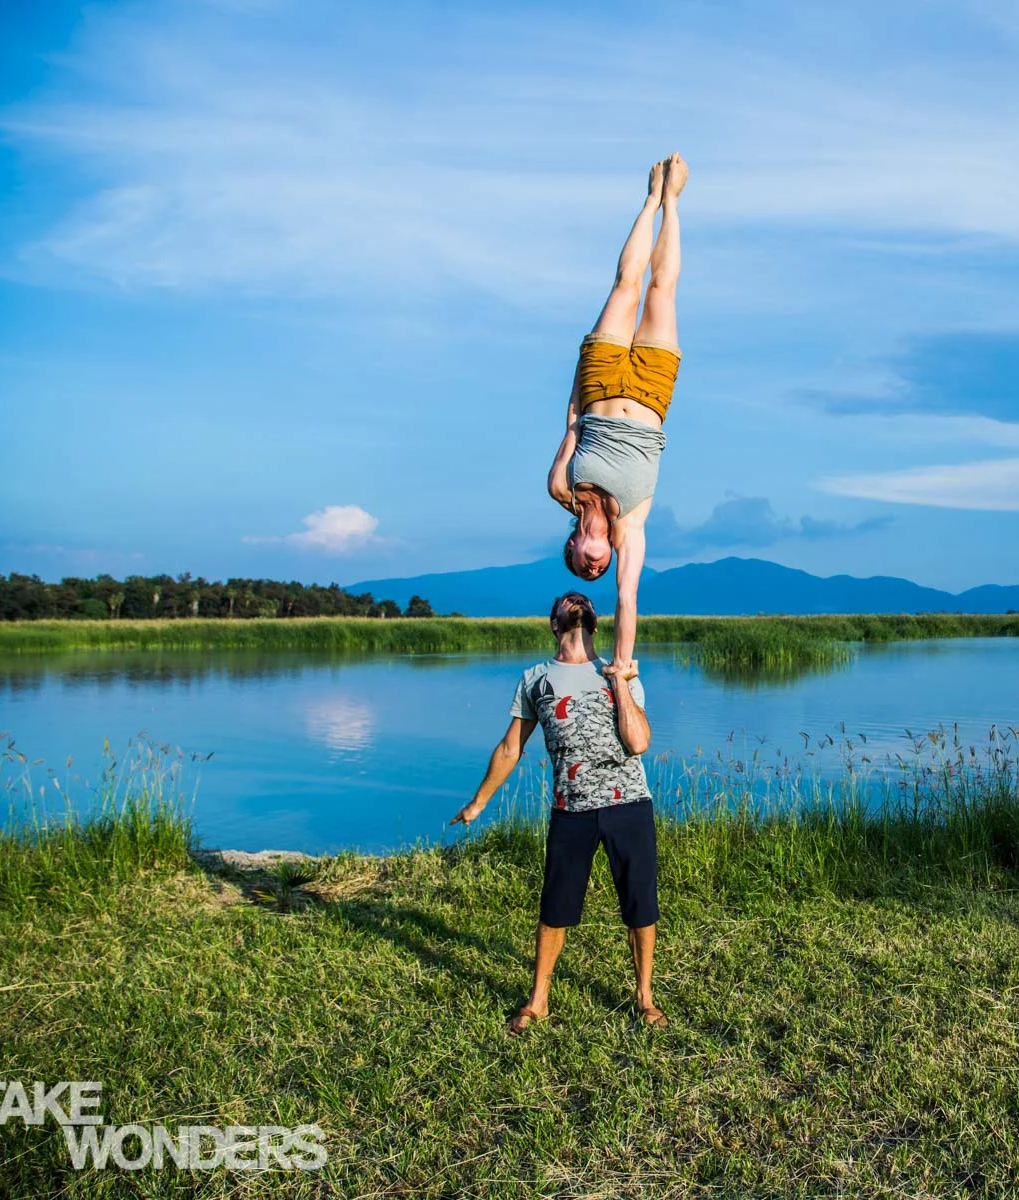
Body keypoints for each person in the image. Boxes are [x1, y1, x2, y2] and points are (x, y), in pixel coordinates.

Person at [448, 590, 666, 1033]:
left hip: (629, 806)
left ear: (593, 622)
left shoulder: (620, 670)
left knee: (640, 905)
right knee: (555, 908)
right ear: (553, 624)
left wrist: (620, 682)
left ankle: (644, 998)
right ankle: (538, 1001)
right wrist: (479, 802)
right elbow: (511, 748)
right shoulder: (535, 680)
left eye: (580, 599)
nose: (573, 599)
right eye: (564, 601)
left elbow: (639, 742)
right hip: (571, 810)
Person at [546, 152, 687, 682]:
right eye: (594, 571)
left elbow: (570, 425)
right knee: (660, 290)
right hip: (652, 395)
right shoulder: (630, 528)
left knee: (625, 286)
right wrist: (622, 666)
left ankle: (649, 196)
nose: (595, 568)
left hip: (601, 383)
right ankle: (672, 200)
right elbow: (627, 599)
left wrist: (580, 375)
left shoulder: (563, 488)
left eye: (585, 564)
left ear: (574, 543)